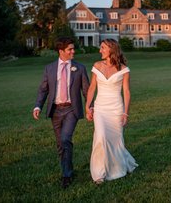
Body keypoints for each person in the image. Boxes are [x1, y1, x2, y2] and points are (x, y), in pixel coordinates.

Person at [32, 36, 90, 189]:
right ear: (61, 51)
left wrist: (90, 106)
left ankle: (67, 175)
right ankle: (67, 169)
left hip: (72, 108)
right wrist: (38, 106)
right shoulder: (49, 68)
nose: (73, 51)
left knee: (65, 138)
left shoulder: (80, 68)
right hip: (55, 110)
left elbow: (86, 90)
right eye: (70, 49)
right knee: (60, 144)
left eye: (73, 48)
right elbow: (43, 90)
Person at [86, 38, 138, 184]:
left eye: (103, 48)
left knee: (115, 141)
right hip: (100, 108)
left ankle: (118, 167)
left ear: (111, 49)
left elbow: (126, 92)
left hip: (116, 108)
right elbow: (91, 88)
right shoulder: (96, 65)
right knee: (101, 137)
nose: (100, 50)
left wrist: (125, 113)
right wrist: (87, 106)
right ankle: (99, 174)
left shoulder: (123, 69)